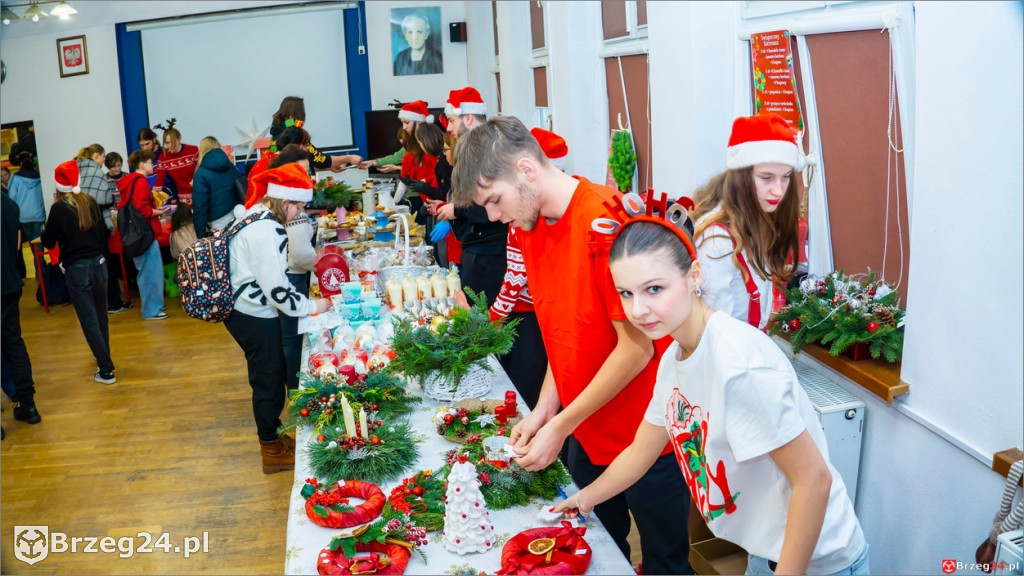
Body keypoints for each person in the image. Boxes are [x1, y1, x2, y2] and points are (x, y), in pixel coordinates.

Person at [552, 203, 869, 576]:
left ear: (694, 276)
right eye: (625, 293)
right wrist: (584, 499)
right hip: (765, 550)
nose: (638, 310)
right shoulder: (674, 358)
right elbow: (640, 452)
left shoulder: (739, 364)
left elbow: (813, 481)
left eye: (654, 289)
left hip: (816, 561)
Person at [450, 115, 691, 574]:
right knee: (596, 550)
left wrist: (559, 425)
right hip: (585, 429)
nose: (495, 216)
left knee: (666, 563)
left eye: (495, 200)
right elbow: (563, 338)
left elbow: (636, 350)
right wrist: (544, 411)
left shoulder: (604, 222)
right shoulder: (527, 227)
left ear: (525, 169)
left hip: (644, 435)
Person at [226, 163, 330, 473]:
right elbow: (277, 290)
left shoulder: (258, 217)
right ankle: (270, 450)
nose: (300, 212)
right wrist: (312, 306)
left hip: (248, 310)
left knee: (268, 376)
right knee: (268, 381)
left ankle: (273, 437)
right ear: (284, 201)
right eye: (298, 206)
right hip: (252, 314)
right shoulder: (265, 231)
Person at [689, 114, 804, 331]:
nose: (778, 191)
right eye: (767, 178)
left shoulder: (758, 216)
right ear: (742, 176)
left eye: (786, 177)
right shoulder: (717, 240)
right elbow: (713, 331)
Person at [486, 127, 567, 411]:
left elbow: (516, 277)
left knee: (527, 391)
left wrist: (494, 316)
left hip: (527, 319)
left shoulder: (523, 219)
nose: (496, 215)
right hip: (545, 317)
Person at [41, 160, 118, 384]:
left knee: (88, 320)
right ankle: (103, 356)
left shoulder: (59, 208)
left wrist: (47, 230)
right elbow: (103, 233)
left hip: (77, 269)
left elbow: (48, 241)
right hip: (100, 264)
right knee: (101, 316)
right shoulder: (90, 201)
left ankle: (106, 369)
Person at [431, 88, 508, 307]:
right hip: (477, 251)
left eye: (451, 121)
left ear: (468, 118)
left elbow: (495, 205)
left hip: (488, 254)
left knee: (479, 318)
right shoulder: (475, 150)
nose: (448, 128)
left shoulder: (489, 152)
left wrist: (456, 210)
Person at [265, 145, 315, 392]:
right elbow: (300, 253)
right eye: (301, 169)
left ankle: (292, 388)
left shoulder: (285, 201)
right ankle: (295, 390)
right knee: (292, 340)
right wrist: (322, 264)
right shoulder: (289, 204)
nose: (305, 174)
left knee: (290, 339)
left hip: (290, 276)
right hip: (291, 278)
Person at [77, 144, 133, 314]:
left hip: (82, 223)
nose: (103, 160)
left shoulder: (77, 170)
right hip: (98, 223)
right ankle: (113, 302)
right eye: (103, 157)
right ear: (97, 155)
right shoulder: (96, 173)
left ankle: (99, 302)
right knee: (106, 264)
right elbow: (107, 200)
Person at [2, 192, 41, 424]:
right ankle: (28, 404)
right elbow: (17, 244)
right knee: (13, 343)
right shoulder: (8, 204)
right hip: (9, 283)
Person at [118, 150, 170, 320]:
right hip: (145, 234)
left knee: (146, 272)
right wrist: (161, 211)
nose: (152, 165)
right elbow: (143, 210)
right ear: (141, 164)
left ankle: (153, 306)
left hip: (136, 235)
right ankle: (151, 310)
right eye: (149, 162)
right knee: (150, 273)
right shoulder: (140, 182)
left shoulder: (128, 182)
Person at [269, 96, 361, 174]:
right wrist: (349, 158)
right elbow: (320, 159)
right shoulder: (295, 134)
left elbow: (303, 162)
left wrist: (327, 167)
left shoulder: (277, 132)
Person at [393, 101, 438, 217]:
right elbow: (403, 183)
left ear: (419, 121)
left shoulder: (434, 149)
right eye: (402, 123)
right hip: (428, 205)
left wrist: (425, 182)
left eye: (407, 122)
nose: (404, 127)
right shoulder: (410, 155)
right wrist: (393, 205)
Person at [191, 136, 241, 237]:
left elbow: (200, 207)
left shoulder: (200, 173)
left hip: (218, 220)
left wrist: (200, 235)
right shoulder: (230, 166)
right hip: (237, 213)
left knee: (222, 246)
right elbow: (240, 187)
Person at [7, 151, 44, 279]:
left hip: (23, 217)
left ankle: (40, 271)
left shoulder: (15, 178)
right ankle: (41, 271)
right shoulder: (40, 176)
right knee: (38, 244)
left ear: (20, 163)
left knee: (33, 244)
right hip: (39, 215)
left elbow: (12, 198)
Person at [153, 124, 199, 207]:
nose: (170, 145)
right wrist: (152, 195)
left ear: (179, 138)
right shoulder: (163, 158)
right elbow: (159, 181)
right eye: (167, 143)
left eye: (173, 142)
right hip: (183, 197)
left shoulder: (193, 150)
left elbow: (202, 168)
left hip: (200, 192)